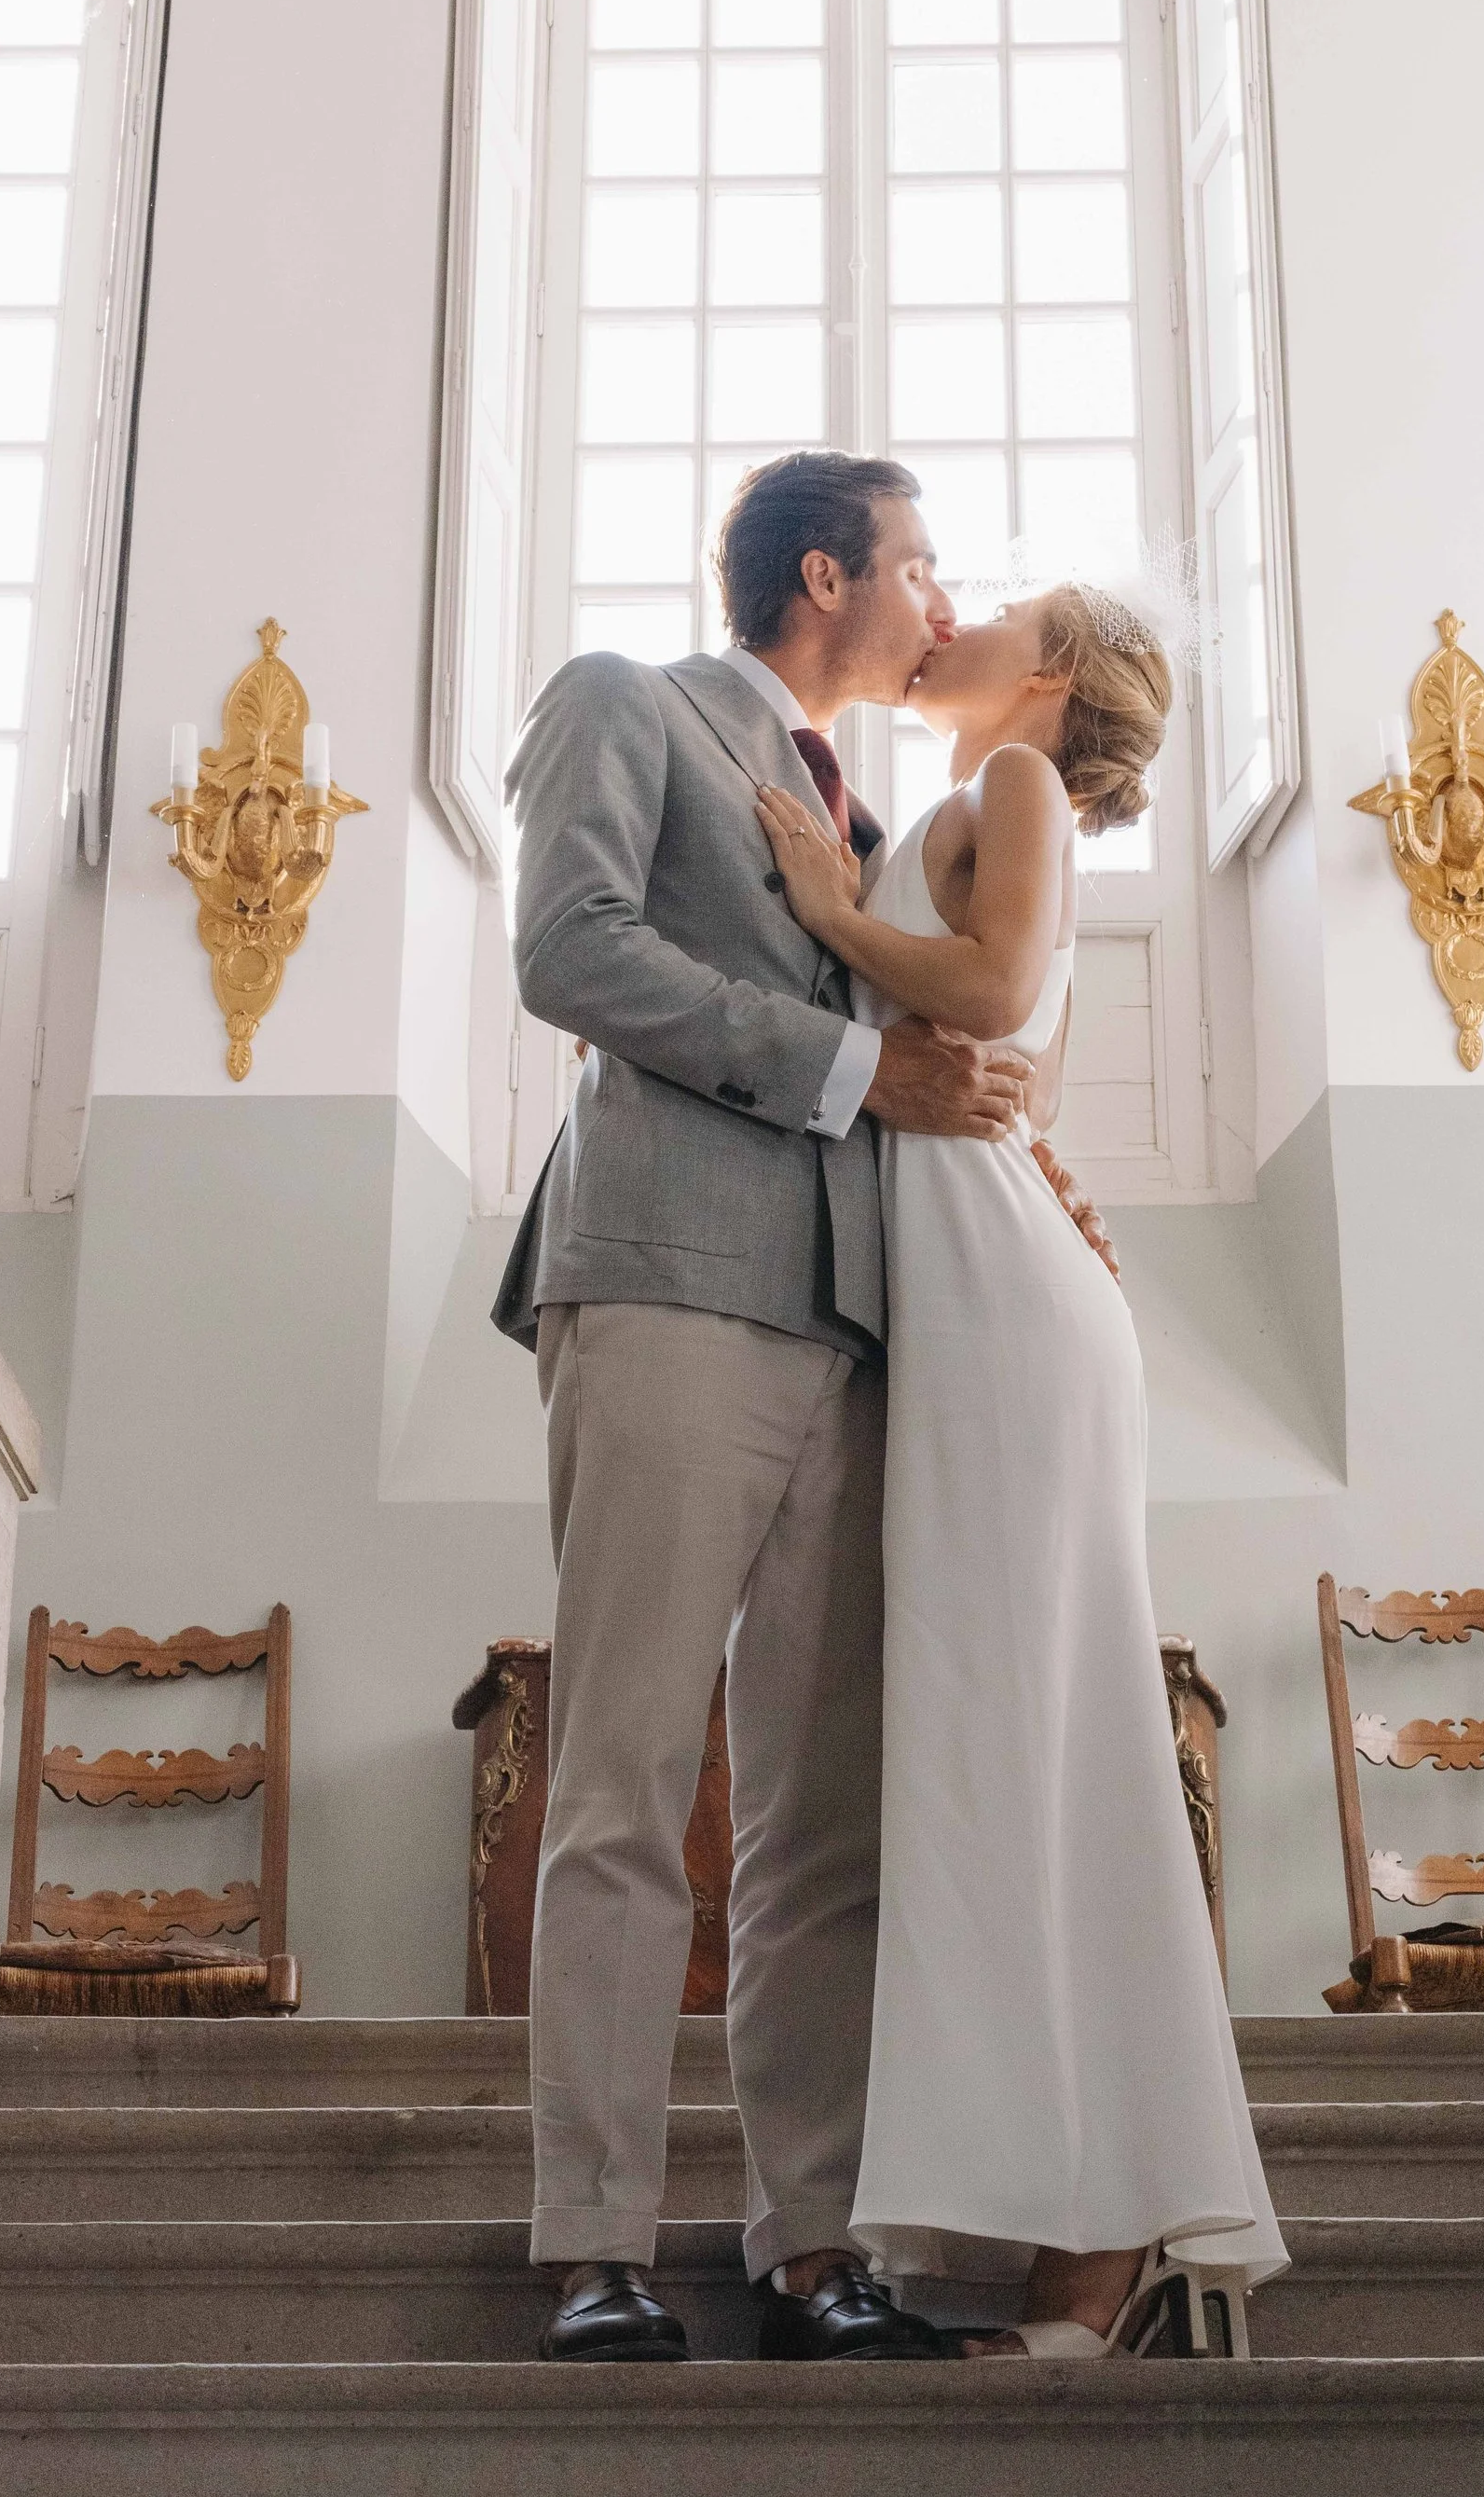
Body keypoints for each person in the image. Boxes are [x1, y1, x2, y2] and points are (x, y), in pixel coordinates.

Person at [492, 450, 1044, 2366]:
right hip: (658, 1284)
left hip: (862, 1327)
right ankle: (593, 2241)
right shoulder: (620, 704)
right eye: (917, 562)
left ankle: (812, 2243)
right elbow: (568, 950)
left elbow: (934, 1057)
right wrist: (844, 1066)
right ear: (824, 572)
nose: (940, 599)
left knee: (826, 1824)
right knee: (622, 1782)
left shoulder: (871, 812)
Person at [753, 582, 1289, 2357]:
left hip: (1012, 1325)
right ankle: (1063, 2220)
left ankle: (1107, 2250)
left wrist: (835, 911)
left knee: (1055, 1754)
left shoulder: (1025, 790)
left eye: (998, 608)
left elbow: (983, 997)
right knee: (997, 1756)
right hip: (976, 1302)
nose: (952, 611)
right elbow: (1022, 1080)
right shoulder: (958, 811)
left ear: (1046, 676)